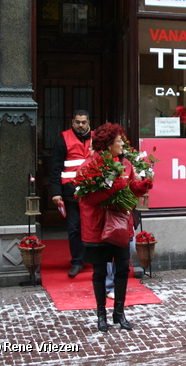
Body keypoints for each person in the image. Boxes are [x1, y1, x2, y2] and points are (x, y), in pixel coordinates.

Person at [78, 123, 153, 332]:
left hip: (121, 227)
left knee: (122, 270)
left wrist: (141, 185)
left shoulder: (126, 164)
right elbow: (87, 199)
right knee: (100, 272)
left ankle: (119, 313)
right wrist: (115, 190)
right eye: (119, 140)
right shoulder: (90, 165)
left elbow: (128, 190)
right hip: (99, 228)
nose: (123, 143)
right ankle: (101, 315)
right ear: (108, 144)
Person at [50, 110, 93, 278]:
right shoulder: (63, 140)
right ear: (72, 122)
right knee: (74, 228)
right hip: (70, 191)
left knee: (93, 227)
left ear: (89, 122)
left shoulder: (97, 138)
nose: (80, 125)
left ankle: (95, 258)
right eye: (77, 122)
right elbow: (55, 168)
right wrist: (56, 193)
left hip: (92, 192)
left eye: (83, 122)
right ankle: (77, 261)